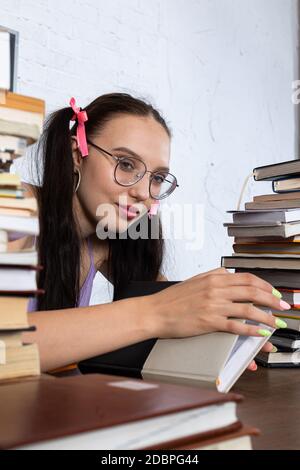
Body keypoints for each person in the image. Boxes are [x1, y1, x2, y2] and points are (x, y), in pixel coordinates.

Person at [14, 93, 289, 373]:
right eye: (126, 164)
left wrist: (223, 334)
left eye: (156, 178)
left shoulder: (104, 243)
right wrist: (156, 311)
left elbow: (177, 309)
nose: (142, 192)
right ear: (76, 155)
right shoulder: (15, 210)